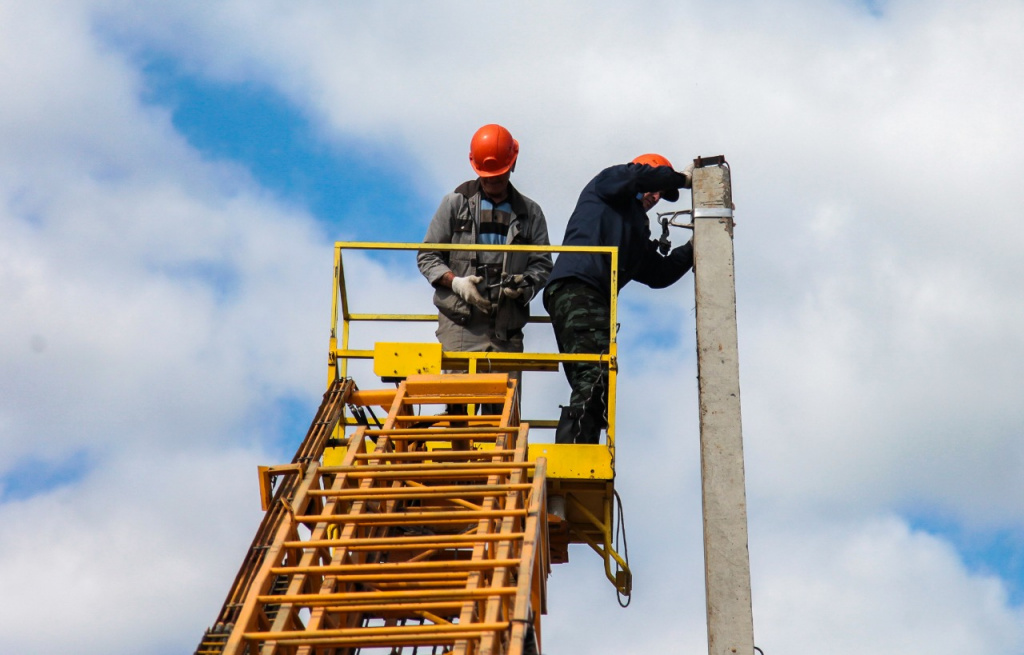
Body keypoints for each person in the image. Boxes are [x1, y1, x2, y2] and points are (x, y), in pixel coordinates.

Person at [544, 154, 695, 444]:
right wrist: (681, 180)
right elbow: (638, 178)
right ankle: (573, 452)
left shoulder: (634, 229)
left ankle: (579, 448)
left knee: (597, 381)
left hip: (586, 295)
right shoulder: (610, 182)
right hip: (579, 287)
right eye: (656, 187)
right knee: (595, 373)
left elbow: (657, 273)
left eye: (661, 194)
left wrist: (694, 246)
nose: (656, 196)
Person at [417, 124, 552, 408]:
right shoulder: (455, 204)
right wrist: (456, 283)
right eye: (487, 178)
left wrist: (524, 286)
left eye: (498, 176)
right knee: (458, 416)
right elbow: (428, 256)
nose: (492, 183)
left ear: (512, 165)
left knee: (502, 420)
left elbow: (542, 264)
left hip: (506, 330)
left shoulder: (530, 214)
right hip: (462, 326)